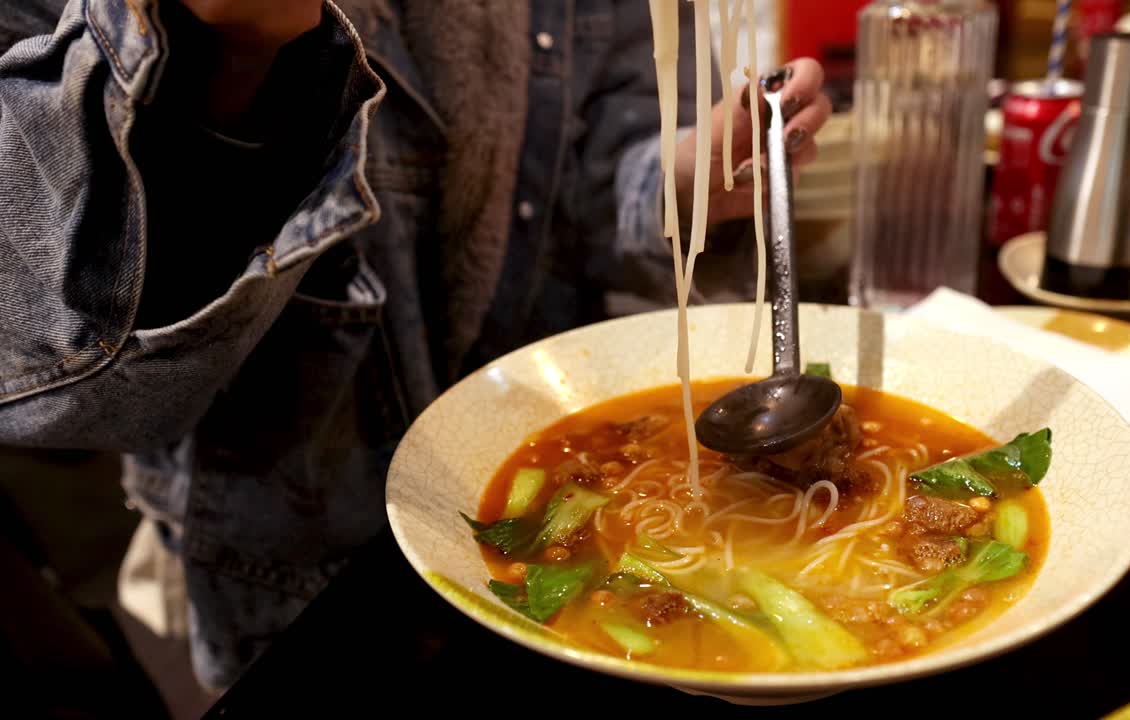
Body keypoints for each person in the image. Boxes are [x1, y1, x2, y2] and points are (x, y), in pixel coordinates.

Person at [0, 0, 831, 691]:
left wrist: (689, 177)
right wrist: (229, 54)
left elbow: (588, 170)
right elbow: (49, 337)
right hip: (310, 584)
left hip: (551, 506)